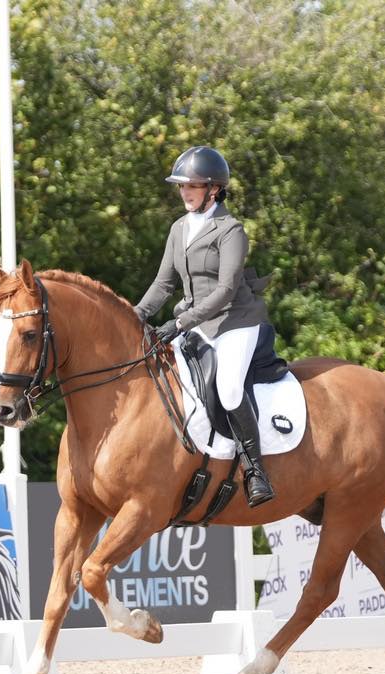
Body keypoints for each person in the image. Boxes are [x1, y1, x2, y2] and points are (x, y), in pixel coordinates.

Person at [134, 146, 275, 508]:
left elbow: (227, 290)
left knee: (228, 389)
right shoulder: (179, 228)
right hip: (196, 322)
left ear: (213, 189)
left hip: (235, 322)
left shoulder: (230, 230)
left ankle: (255, 469)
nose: (184, 193)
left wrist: (181, 322)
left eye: (192, 186)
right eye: (181, 187)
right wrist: (134, 316)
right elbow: (163, 283)